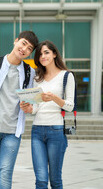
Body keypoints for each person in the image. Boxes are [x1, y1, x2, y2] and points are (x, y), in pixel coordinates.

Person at [0, 31, 39, 189]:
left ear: (30, 53)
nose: (24, 49)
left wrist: (28, 106)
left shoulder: (29, 72)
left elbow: (31, 103)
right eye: (23, 43)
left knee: (5, 173)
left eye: (29, 48)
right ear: (16, 41)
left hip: (13, 131)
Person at [20, 40, 75, 189]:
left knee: (55, 180)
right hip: (37, 131)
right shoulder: (38, 78)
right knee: (41, 180)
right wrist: (28, 108)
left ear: (54, 54)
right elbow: (36, 108)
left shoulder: (66, 76)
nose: (43, 56)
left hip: (56, 131)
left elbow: (70, 106)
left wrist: (55, 98)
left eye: (46, 53)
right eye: (40, 54)